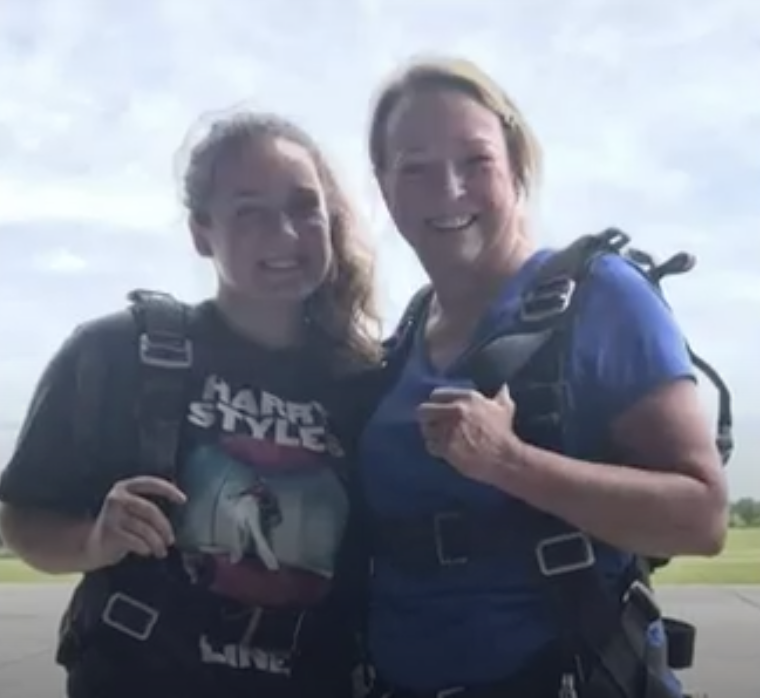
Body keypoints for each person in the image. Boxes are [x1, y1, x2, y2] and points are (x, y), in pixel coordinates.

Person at [354, 56, 731, 698]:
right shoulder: (406, 335)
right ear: (386, 188)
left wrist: (510, 462)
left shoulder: (603, 297)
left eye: (475, 162)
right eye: (415, 168)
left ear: (517, 168)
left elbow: (702, 518)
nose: (447, 190)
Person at [0, 109, 381, 698]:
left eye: (304, 207)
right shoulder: (116, 353)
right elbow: (22, 519)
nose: (284, 233)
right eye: (250, 211)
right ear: (201, 232)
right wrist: (93, 541)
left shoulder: (367, 381)